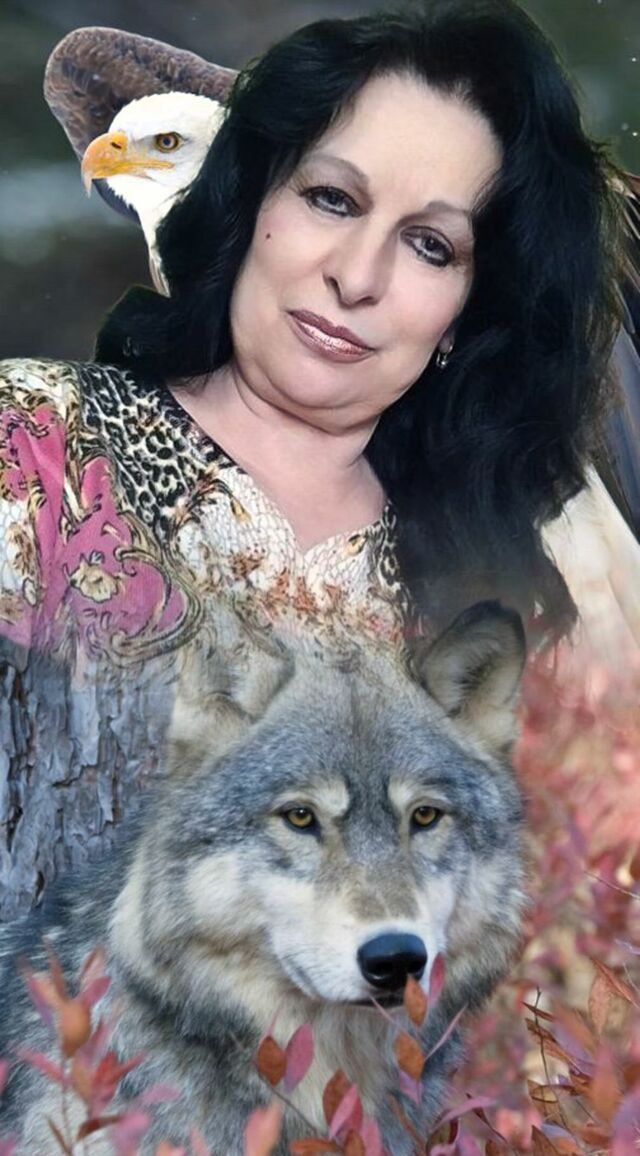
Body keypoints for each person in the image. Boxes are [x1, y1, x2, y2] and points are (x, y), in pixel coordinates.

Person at [0, 0, 638, 917]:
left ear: (463, 314)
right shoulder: (33, 444)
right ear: (247, 197)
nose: (358, 274)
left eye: (431, 246)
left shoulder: (517, 584)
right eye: (331, 198)